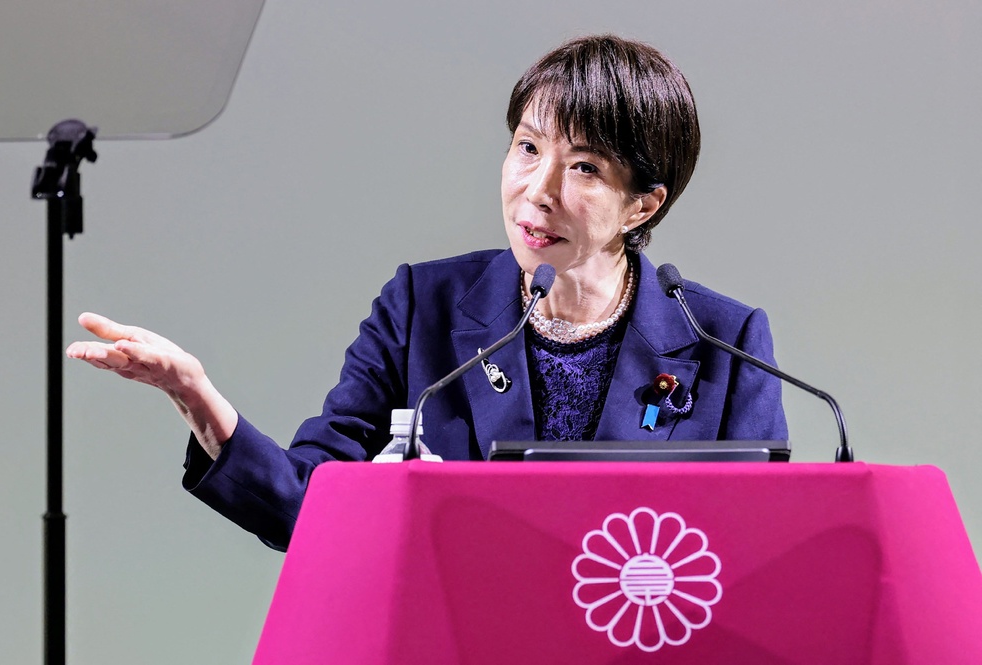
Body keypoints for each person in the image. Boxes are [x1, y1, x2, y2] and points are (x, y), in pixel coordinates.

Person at [67, 35, 788, 550]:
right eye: (528, 147)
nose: (536, 191)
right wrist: (199, 398)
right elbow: (306, 504)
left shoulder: (725, 342)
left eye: (585, 167)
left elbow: (755, 556)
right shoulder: (423, 307)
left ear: (643, 205)